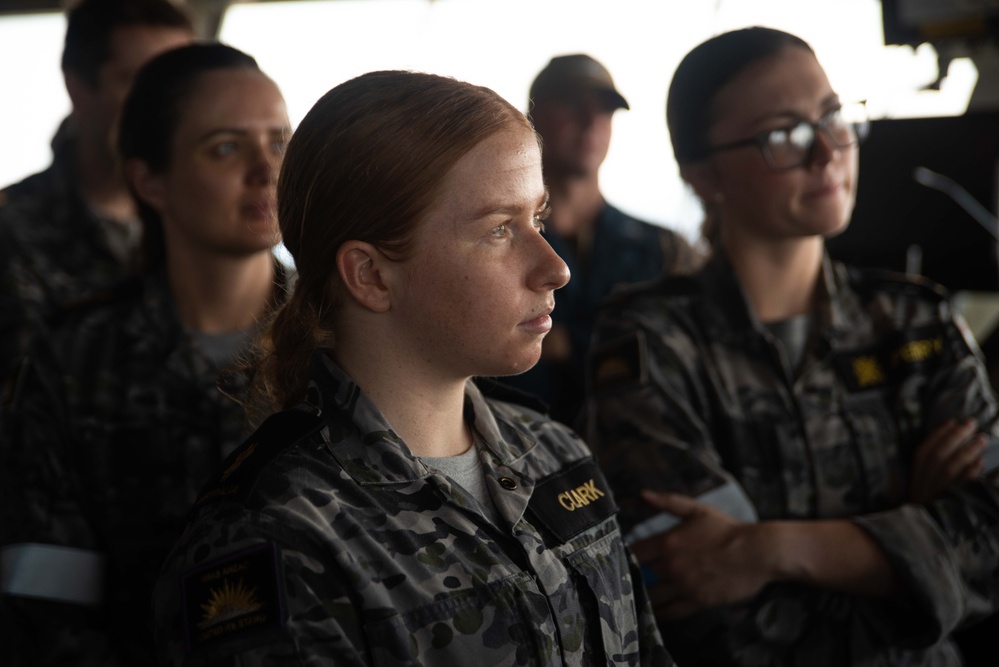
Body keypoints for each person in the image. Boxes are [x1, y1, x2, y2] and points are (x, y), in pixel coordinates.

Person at [151, 69, 671, 666]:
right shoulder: (276, 536)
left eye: (539, 219)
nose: (555, 268)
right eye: (500, 230)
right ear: (371, 275)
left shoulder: (556, 456)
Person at [583, 26, 999, 666]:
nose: (827, 151)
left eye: (832, 115)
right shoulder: (653, 342)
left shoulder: (915, 322)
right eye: (783, 135)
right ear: (704, 175)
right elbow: (711, 608)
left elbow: (994, 545)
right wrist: (911, 538)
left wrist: (768, 550)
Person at [0, 42, 292, 666]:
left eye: (280, 142)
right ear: (148, 179)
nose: (266, 170)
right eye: (225, 147)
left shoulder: (346, 336)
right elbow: (46, 601)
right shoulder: (76, 359)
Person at [0, 0, 194, 387]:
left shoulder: (204, 221)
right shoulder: (11, 233)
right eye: (141, 83)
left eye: (182, 87)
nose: (167, 109)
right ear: (77, 85)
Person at [501, 53, 700, 427]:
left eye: (605, 110)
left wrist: (568, 346)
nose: (591, 121)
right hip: (516, 449)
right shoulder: (496, 243)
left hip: (640, 452)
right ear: (533, 117)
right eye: (573, 104)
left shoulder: (665, 249)